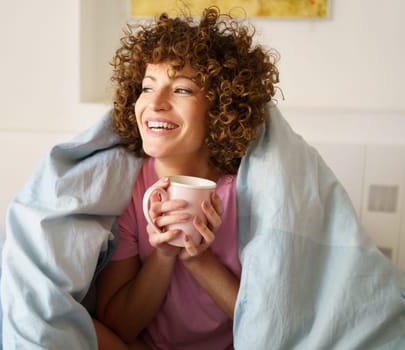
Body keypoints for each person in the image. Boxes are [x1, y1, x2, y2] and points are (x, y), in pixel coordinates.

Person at [93, 6, 279, 349]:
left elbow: (271, 328)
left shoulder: (251, 190)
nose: (156, 103)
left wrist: (197, 259)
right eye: (148, 87)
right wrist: (163, 256)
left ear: (221, 108)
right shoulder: (130, 187)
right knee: (70, 322)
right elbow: (118, 325)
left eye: (181, 90)